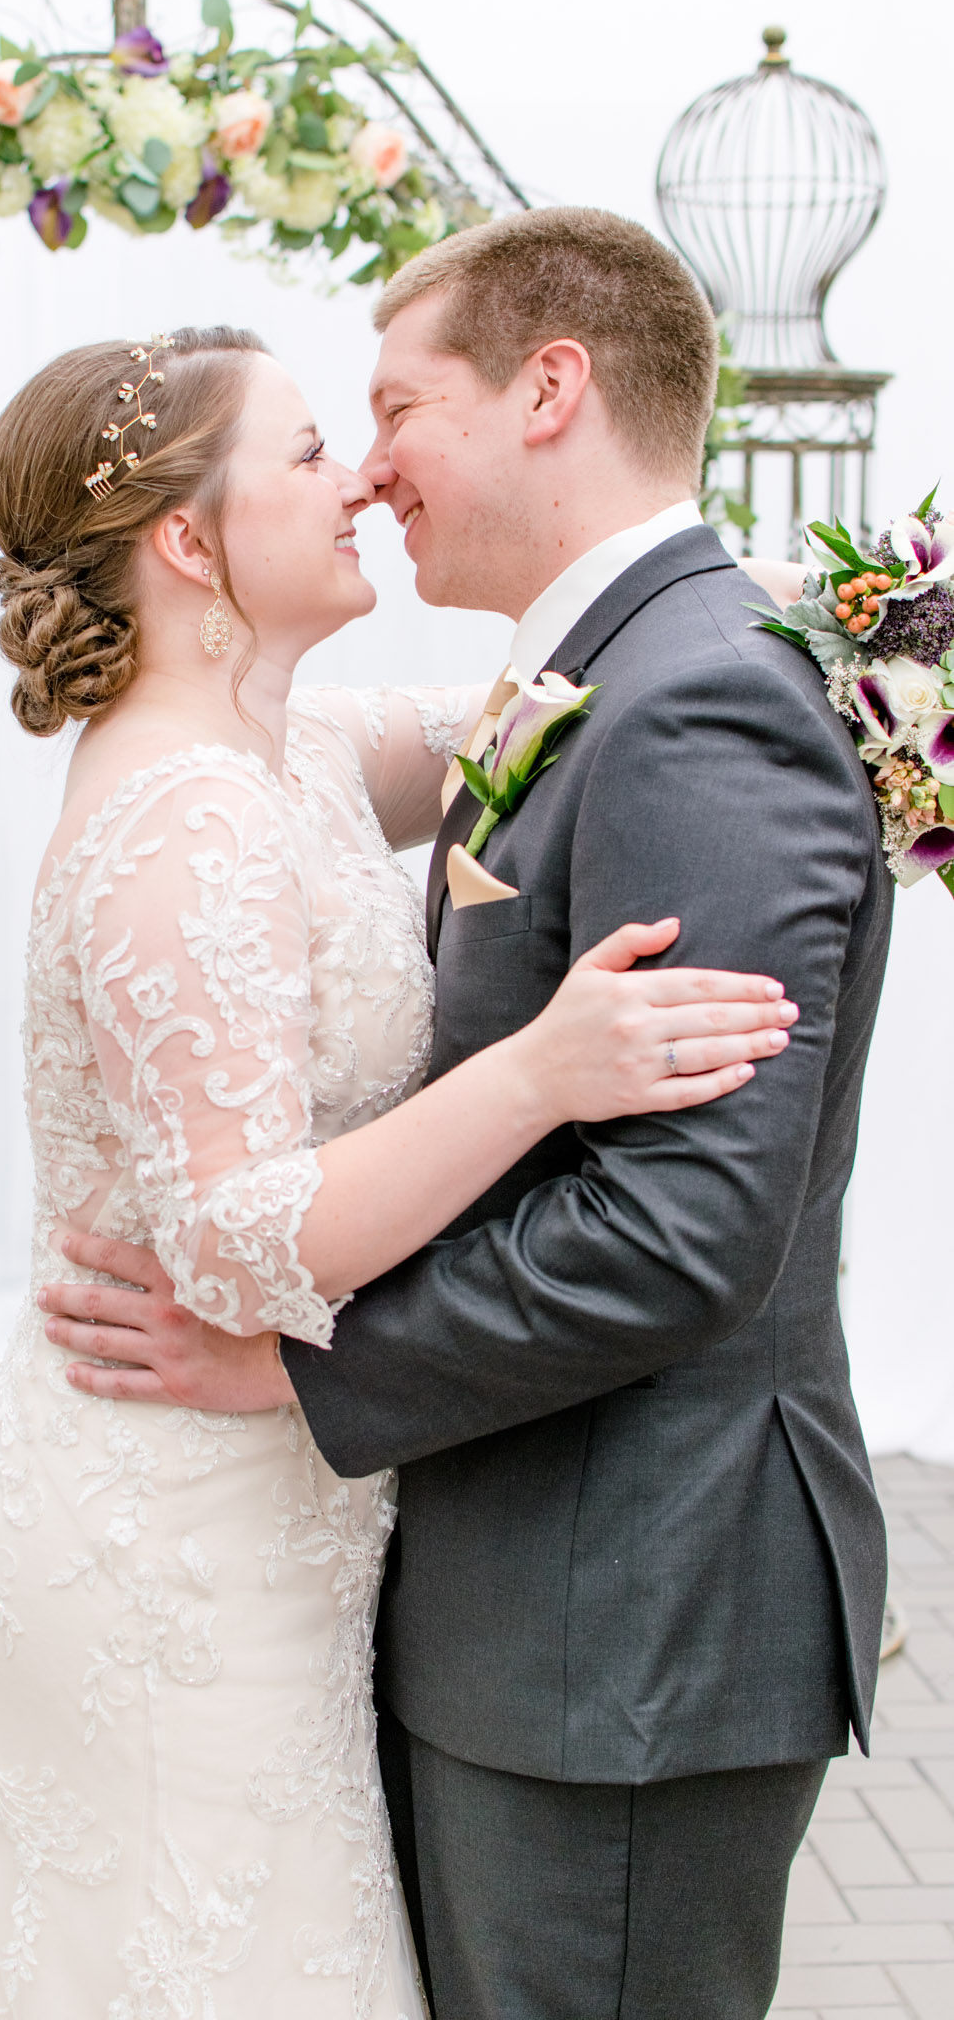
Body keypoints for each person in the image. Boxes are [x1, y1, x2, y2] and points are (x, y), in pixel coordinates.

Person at [0, 318, 799, 2020]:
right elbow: (241, 1252)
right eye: (312, 451)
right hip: (171, 1541)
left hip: (266, 1510)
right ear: (188, 539)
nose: (359, 479)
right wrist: (542, 1074)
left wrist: (876, 645)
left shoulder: (291, 748)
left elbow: (571, 682)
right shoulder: (186, 820)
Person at [45, 213, 894, 2020]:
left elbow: (679, 1236)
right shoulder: (577, 681)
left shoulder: (695, 702)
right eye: (322, 438)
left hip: (623, 1618)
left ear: (550, 390)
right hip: (519, 1592)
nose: (364, 467)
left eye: (393, 406)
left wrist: (300, 1369)